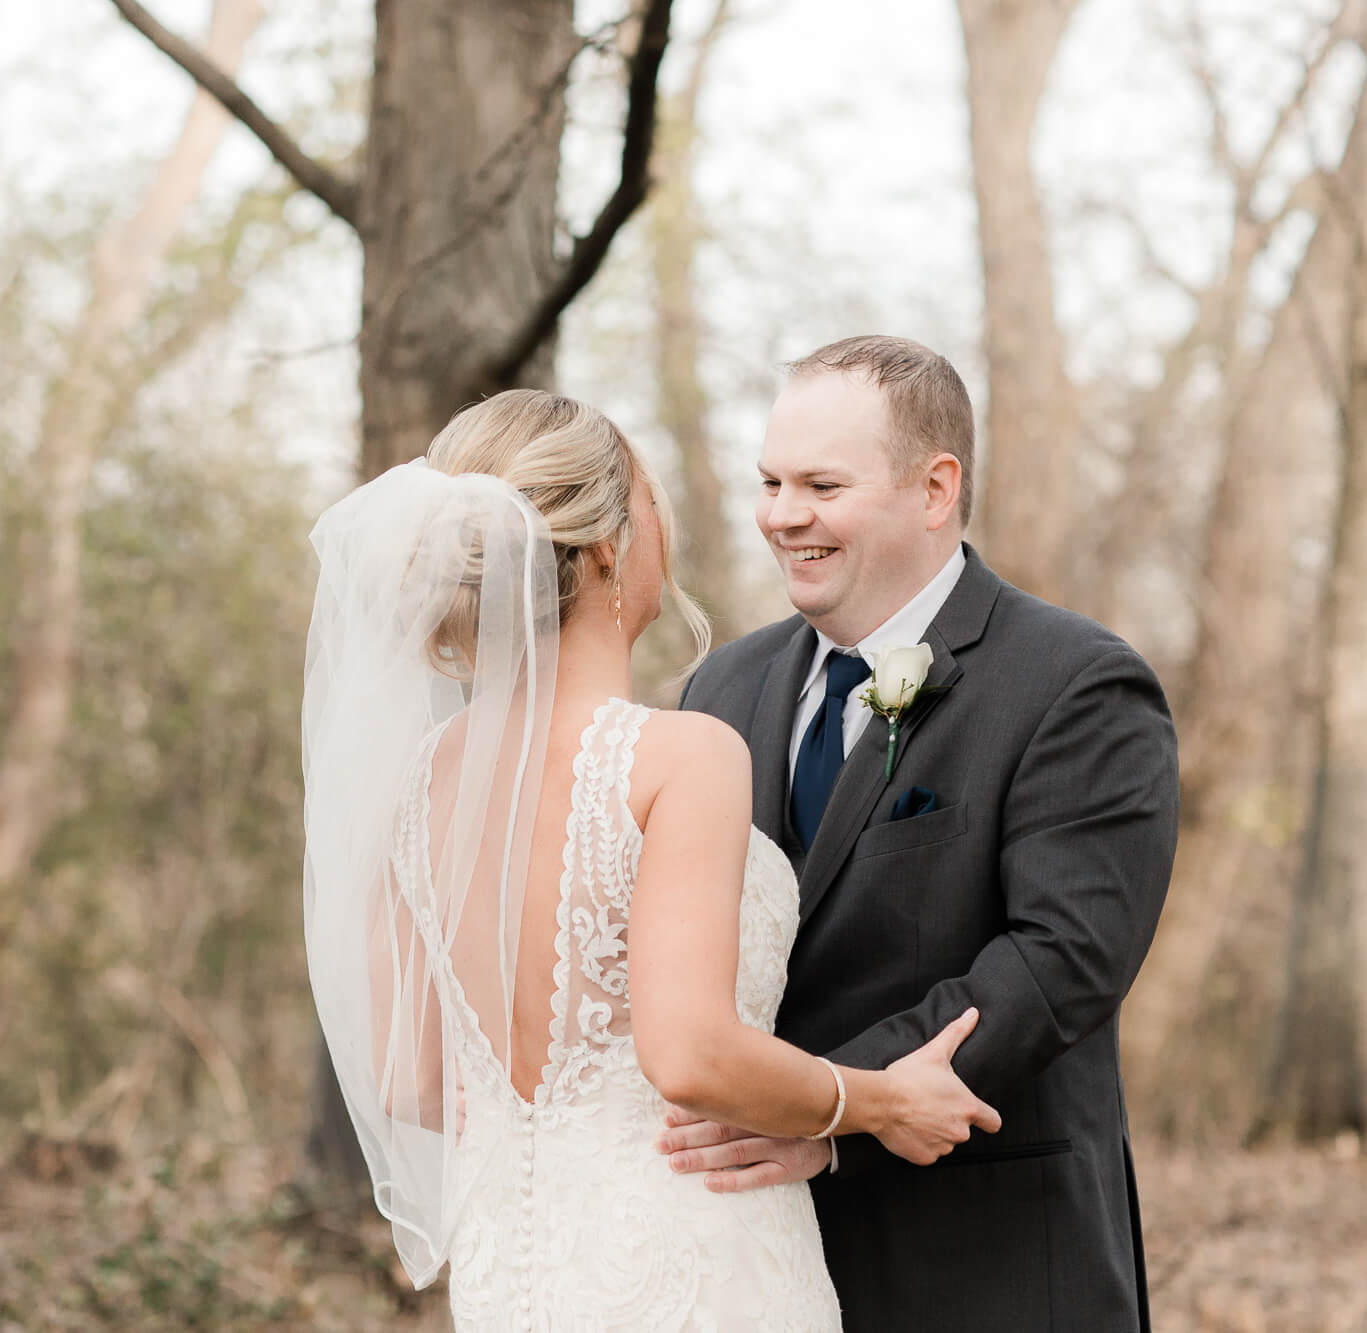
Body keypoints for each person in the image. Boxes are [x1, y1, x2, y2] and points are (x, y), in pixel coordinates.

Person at [301, 388, 999, 1330]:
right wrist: (876, 1100)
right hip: (691, 1255)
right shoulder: (679, 755)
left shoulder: (420, 781)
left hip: (515, 1266)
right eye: (649, 502)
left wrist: (550, 1136)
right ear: (603, 551)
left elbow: (408, 1081)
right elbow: (690, 1053)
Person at [667, 336, 1181, 1331]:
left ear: (935, 486)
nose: (781, 514)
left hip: (983, 1250)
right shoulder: (718, 690)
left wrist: (826, 1112)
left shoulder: (1072, 682)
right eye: (770, 481)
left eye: (821, 483)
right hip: (747, 1255)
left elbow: (1058, 960)